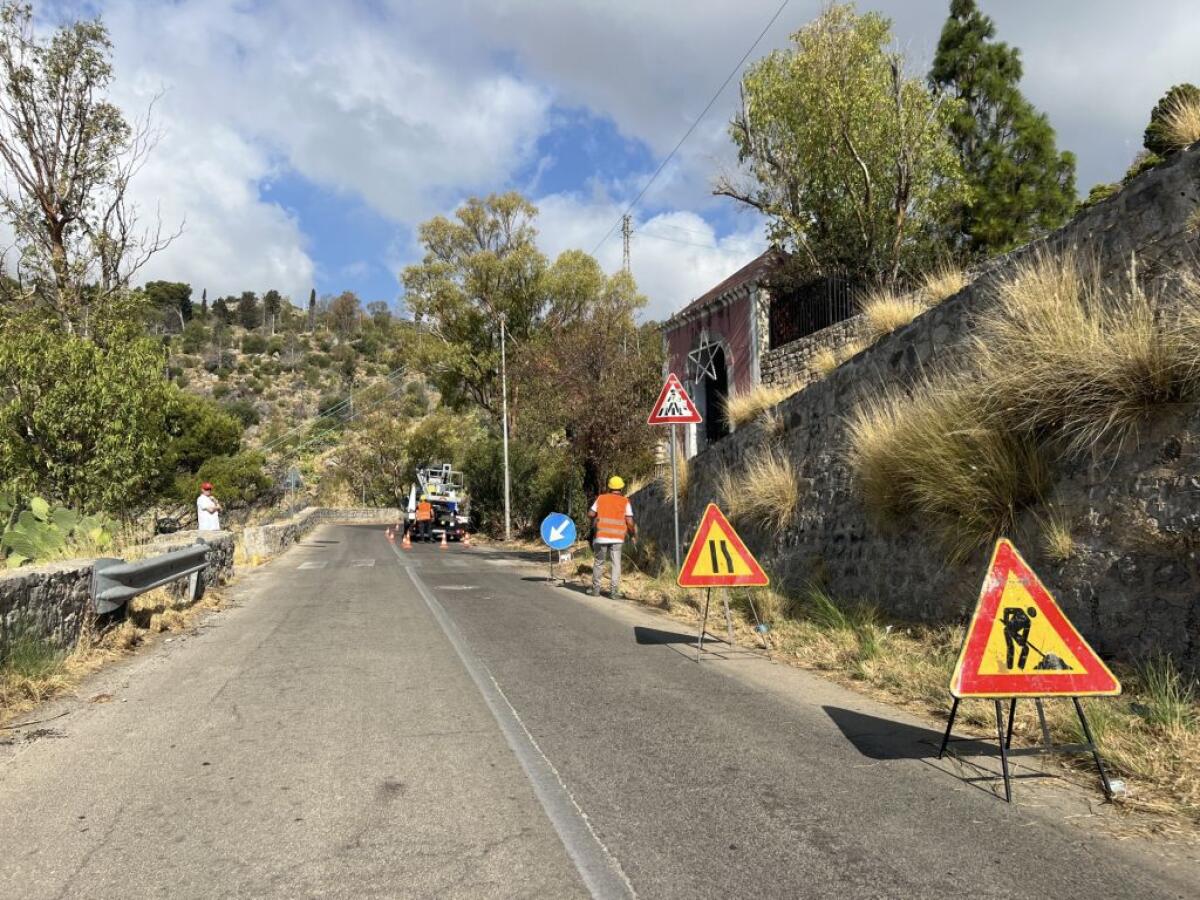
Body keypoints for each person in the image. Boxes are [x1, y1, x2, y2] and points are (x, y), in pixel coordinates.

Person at [589, 475, 636, 600]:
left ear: (609, 487)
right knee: (616, 564)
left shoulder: (601, 498)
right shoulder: (625, 501)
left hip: (601, 536)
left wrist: (597, 517)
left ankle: (596, 590)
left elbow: (591, 513)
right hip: (617, 538)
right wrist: (632, 535)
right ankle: (614, 592)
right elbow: (630, 521)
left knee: (599, 562)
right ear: (621, 488)